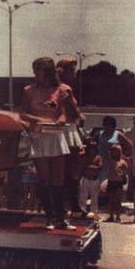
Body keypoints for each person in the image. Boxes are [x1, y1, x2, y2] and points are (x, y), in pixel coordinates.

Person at [19, 57, 77, 230]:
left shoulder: (62, 89)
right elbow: (22, 113)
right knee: (44, 179)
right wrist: (38, 119)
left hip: (56, 136)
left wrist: (60, 119)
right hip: (38, 136)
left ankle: (61, 218)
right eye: (34, 69)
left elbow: (64, 112)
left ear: (48, 71)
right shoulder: (29, 90)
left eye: (38, 69)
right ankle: (49, 218)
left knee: (58, 180)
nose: (35, 73)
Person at [56, 57, 85, 216]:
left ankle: (62, 206)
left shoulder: (52, 88)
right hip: (68, 131)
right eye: (73, 70)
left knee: (60, 172)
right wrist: (80, 115)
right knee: (72, 172)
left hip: (59, 131)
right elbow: (74, 112)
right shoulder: (66, 89)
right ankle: (74, 206)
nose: (75, 73)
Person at [96, 115, 133, 183]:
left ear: (113, 125)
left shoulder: (118, 134)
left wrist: (122, 156)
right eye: (105, 124)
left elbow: (130, 146)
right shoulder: (100, 134)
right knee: (101, 183)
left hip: (113, 163)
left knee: (113, 182)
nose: (107, 126)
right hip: (101, 162)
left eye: (109, 124)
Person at [78, 140, 102, 218]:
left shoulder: (98, 157)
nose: (92, 149)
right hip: (85, 178)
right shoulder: (85, 157)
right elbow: (82, 167)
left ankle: (94, 213)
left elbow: (99, 167)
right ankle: (82, 211)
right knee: (83, 196)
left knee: (94, 197)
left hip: (94, 179)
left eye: (94, 148)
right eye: (91, 148)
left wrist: (89, 167)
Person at [105, 144, 128, 223]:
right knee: (111, 199)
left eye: (118, 151)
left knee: (118, 200)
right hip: (111, 181)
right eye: (114, 151)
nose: (116, 153)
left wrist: (123, 173)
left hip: (119, 182)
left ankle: (118, 216)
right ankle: (111, 215)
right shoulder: (110, 160)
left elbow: (126, 170)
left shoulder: (122, 162)